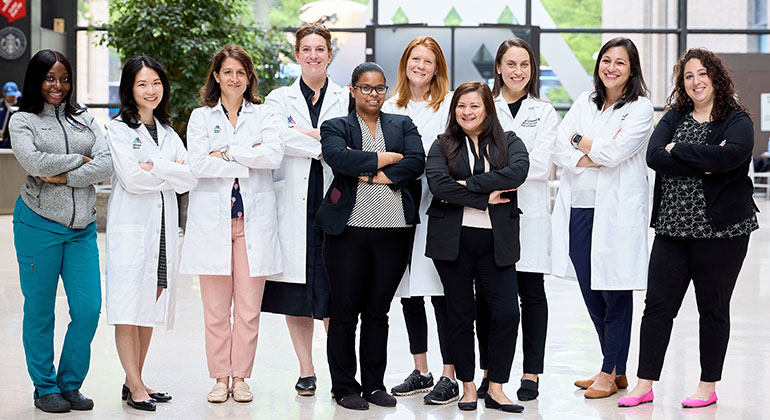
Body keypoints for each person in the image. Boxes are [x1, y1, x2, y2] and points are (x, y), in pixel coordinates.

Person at [619, 48, 758, 409]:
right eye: (688, 76)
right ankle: (644, 382)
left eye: (702, 74)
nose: (695, 82)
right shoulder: (674, 115)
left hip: (722, 233)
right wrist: (706, 161)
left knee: (712, 308)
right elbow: (653, 157)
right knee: (657, 308)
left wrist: (678, 149)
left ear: (715, 77)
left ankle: (707, 387)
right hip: (671, 231)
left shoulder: (736, 119)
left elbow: (732, 157)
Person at [179, 44, 284, 403]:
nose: (234, 78)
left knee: (249, 310)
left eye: (241, 72)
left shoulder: (264, 114)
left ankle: (241, 377)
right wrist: (246, 157)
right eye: (228, 72)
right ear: (216, 76)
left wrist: (225, 153)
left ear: (248, 77)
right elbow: (197, 164)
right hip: (215, 225)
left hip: (252, 225)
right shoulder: (200, 117)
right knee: (215, 311)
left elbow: (272, 155)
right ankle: (219, 378)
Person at [317, 62, 424, 410]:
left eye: (379, 88)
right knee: (345, 311)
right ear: (353, 91)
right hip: (347, 232)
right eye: (365, 88)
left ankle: (374, 384)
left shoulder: (402, 124)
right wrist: (386, 158)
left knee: (378, 312)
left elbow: (416, 162)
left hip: (393, 232)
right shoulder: (336, 126)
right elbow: (336, 158)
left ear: (386, 91)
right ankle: (344, 387)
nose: (373, 94)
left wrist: (376, 173)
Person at [9, 49, 113, 413]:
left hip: (81, 228)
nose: (58, 85)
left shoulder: (84, 117)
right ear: (37, 80)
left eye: (64, 78)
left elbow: (107, 162)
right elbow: (33, 162)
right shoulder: (23, 121)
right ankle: (44, 387)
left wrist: (63, 175)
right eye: (50, 78)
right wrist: (80, 162)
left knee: (88, 309)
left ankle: (69, 384)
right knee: (40, 311)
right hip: (38, 223)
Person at [551, 37, 654, 399]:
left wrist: (583, 144)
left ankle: (610, 370)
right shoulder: (584, 101)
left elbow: (616, 152)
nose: (611, 68)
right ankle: (615, 366)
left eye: (620, 63)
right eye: (606, 61)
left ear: (632, 69)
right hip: (580, 206)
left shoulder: (640, 109)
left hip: (616, 211)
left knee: (615, 289)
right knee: (590, 288)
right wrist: (588, 146)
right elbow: (558, 144)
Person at [425, 81, 529, 412]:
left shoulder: (509, 141)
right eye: (461, 106)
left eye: (474, 106)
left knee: (507, 313)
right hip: (453, 243)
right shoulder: (442, 145)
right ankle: (468, 386)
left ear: (487, 109)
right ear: (454, 110)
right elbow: (437, 184)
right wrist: (484, 197)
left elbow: (518, 171)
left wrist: (466, 186)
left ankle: (496, 387)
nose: (467, 112)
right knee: (459, 315)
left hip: (496, 241)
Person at [105, 56, 197, 411]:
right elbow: (131, 179)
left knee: (149, 303)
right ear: (130, 88)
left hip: (161, 232)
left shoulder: (169, 131)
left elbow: (188, 178)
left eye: (156, 83)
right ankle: (136, 383)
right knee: (129, 307)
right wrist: (168, 171)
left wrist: (155, 167)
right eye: (142, 84)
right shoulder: (118, 129)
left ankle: (135, 380)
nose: (150, 90)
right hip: (133, 229)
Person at [261, 23, 348, 396]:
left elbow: (351, 140)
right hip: (293, 204)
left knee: (335, 291)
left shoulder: (345, 98)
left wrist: (306, 136)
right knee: (296, 293)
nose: (313, 55)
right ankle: (306, 369)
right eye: (306, 49)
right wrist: (326, 139)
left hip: (336, 201)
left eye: (320, 49)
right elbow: (274, 138)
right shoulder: (278, 99)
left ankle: (340, 370)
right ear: (297, 55)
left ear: (330, 55)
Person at [475, 36, 558, 402]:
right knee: (488, 300)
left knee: (531, 295)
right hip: (489, 215)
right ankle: (490, 373)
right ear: (498, 67)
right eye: (511, 64)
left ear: (532, 69)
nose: (517, 71)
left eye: (524, 65)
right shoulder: (484, 106)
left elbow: (541, 165)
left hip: (531, 214)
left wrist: (499, 168)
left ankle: (531, 373)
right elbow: (474, 159)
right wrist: (512, 167)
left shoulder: (545, 111)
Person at [381, 36, 458, 404]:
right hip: (397, 204)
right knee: (409, 292)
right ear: (405, 63)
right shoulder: (390, 104)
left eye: (429, 61)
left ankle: (449, 374)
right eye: (416, 59)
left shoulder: (448, 104)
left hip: (440, 206)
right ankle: (421, 369)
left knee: (442, 292)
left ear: (437, 67)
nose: (421, 66)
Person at [1, 81, 21, 147]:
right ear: (4, 93)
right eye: (9, 95)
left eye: (13, 95)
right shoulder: (1, 105)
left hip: (16, 141)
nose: (11, 97)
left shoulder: (21, 106)